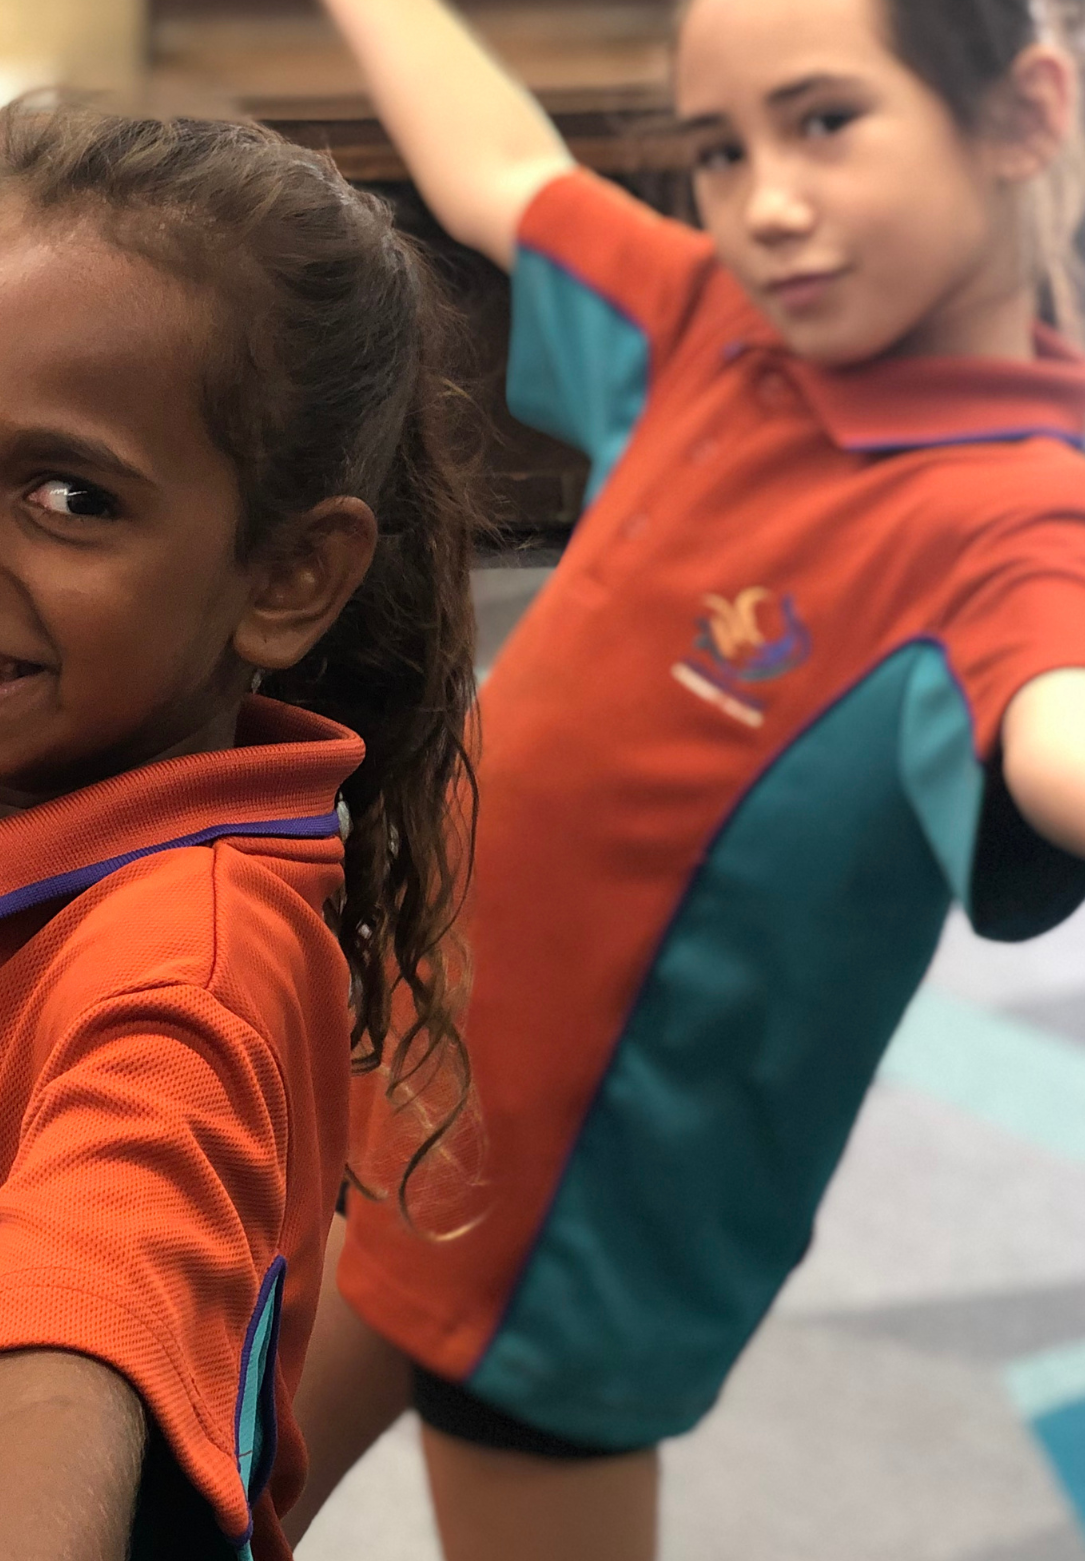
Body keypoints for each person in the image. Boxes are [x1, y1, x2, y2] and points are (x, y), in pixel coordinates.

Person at [285, 1, 1085, 1555]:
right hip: (400, 1094)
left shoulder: (1018, 516)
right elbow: (501, 164)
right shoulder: (723, 322)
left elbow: (1053, 722)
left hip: (578, 1227)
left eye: (826, 121)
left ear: (1021, 114)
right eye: (721, 149)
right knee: (181, 1501)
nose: (765, 198)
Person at [0, 103, 484, 1561]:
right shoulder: (4, 804)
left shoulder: (176, 976)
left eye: (70, 496)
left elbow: (80, 1307)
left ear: (289, 575)